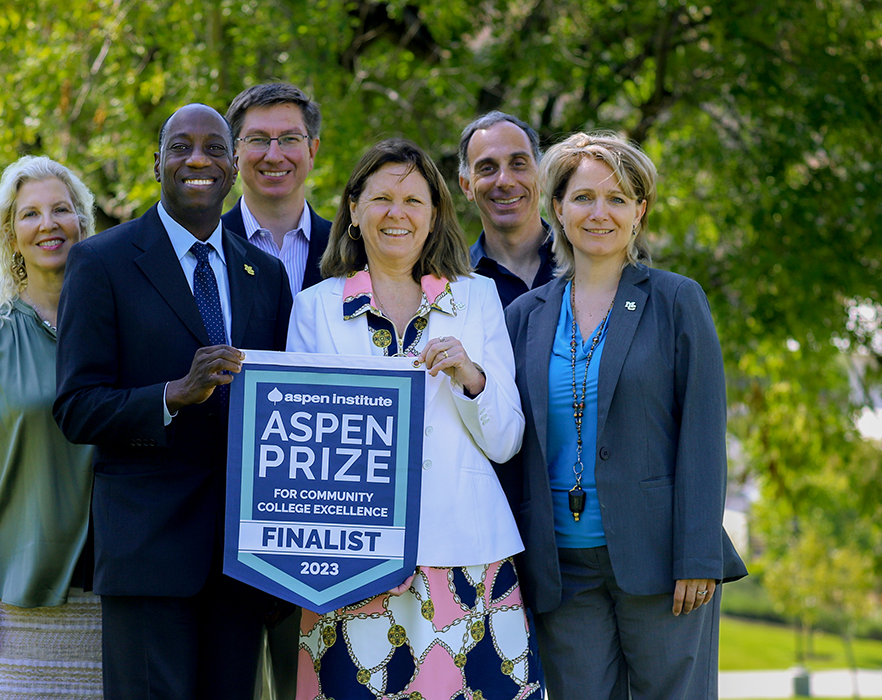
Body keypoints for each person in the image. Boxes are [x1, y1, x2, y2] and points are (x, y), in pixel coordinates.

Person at [52, 103, 294, 700]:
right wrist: (171, 396)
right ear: (156, 162)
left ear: (233, 167)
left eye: (214, 148)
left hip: (244, 563)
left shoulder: (265, 274)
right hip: (148, 556)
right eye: (181, 147)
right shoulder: (100, 263)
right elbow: (77, 407)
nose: (198, 160)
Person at [287, 138, 542, 700]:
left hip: (467, 557)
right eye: (380, 199)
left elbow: (506, 441)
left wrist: (471, 377)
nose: (396, 214)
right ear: (353, 210)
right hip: (353, 565)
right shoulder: (314, 309)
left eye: (413, 201)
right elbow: (306, 454)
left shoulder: (478, 300)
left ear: (434, 217)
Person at [500, 132, 748, 700]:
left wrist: (698, 554)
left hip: (663, 561)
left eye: (616, 199)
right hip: (561, 568)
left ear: (639, 212)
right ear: (557, 209)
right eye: (583, 198)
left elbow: (704, 437)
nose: (599, 213)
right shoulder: (523, 317)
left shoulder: (677, 300)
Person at [0, 155, 102, 698]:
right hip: (16, 604)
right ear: (11, 235)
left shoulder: (118, 328)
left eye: (61, 209)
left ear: (82, 221)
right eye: (30, 214)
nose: (48, 224)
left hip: (115, 596)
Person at [223, 82, 332, 298]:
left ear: (311, 152)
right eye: (258, 140)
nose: (274, 156)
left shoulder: (350, 250)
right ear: (233, 153)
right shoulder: (208, 247)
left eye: (289, 139)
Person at [457, 111, 554, 308]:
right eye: (487, 168)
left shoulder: (584, 262)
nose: (505, 182)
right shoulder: (452, 282)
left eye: (518, 164)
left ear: (542, 175)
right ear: (467, 186)